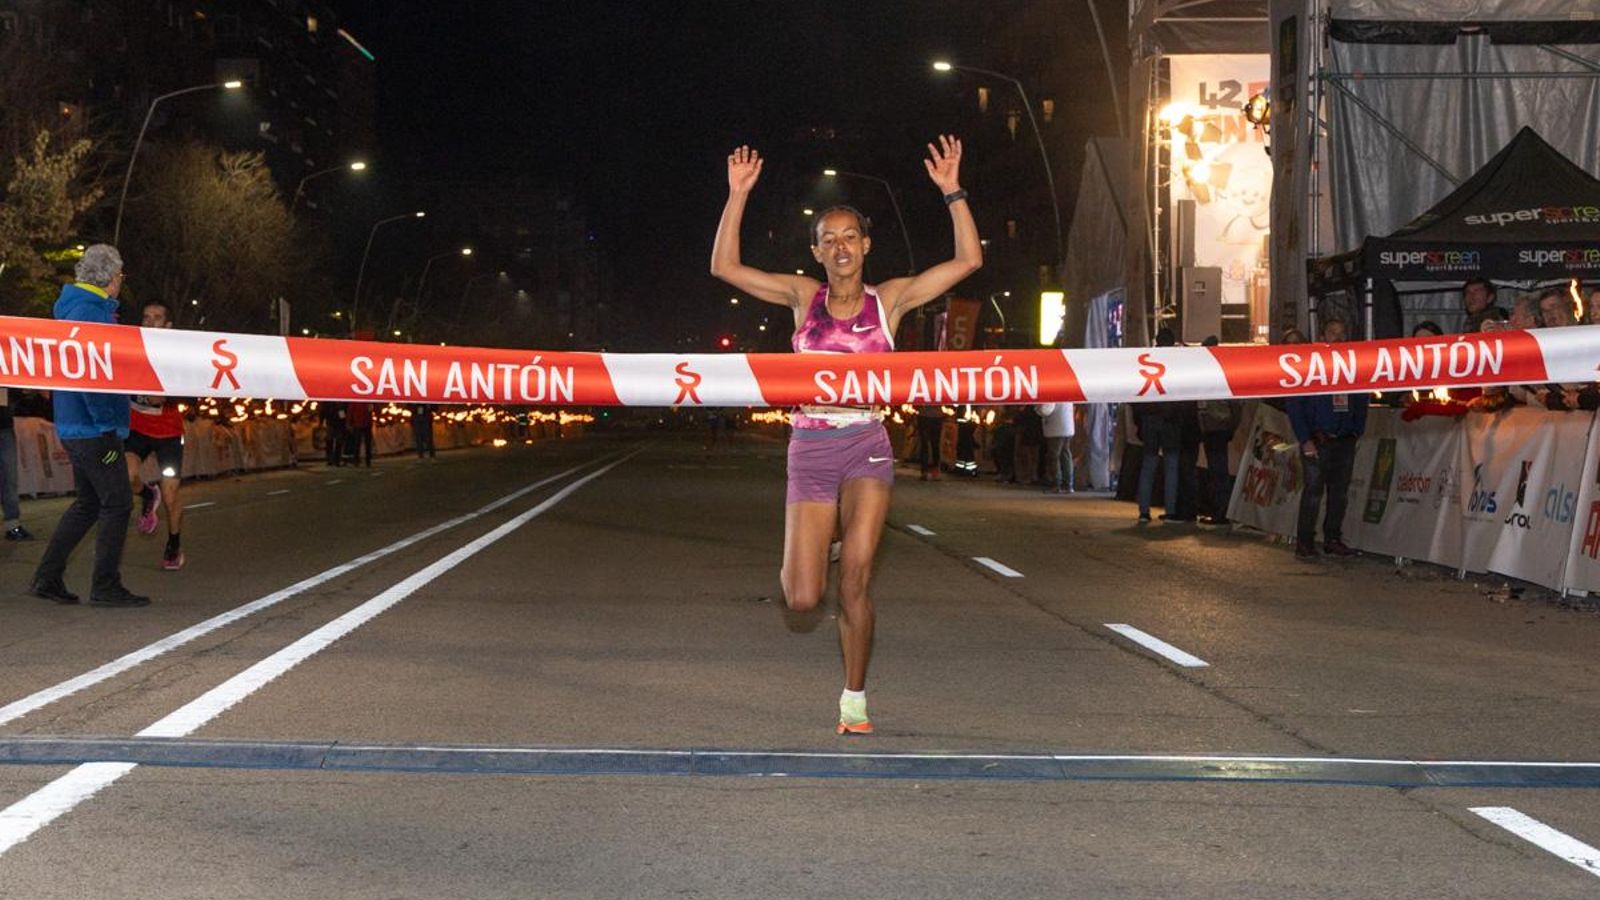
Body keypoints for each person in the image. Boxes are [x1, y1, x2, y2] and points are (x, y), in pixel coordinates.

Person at [711, 136, 981, 735]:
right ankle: (819, 542)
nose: (840, 247)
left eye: (850, 237)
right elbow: (724, 268)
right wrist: (737, 196)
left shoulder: (891, 301)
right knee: (803, 598)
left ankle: (854, 701)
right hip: (810, 447)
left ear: (866, 246)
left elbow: (967, 261)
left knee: (855, 578)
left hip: (865, 444)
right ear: (816, 251)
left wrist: (952, 192)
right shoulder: (801, 297)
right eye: (828, 239)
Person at [30, 244, 150, 607]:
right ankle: (105, 586)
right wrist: (107, 427)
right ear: (111, 278)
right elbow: (92, 377)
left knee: (89, 503)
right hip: (94, 430)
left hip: (75, 425)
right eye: (120, 275)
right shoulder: (91, 314)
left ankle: (47, 577)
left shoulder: (74, 309)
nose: (121, 281)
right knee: (118, 502)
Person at [1285, 318, 1368, 560]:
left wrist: (1356, 430)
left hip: (1344, 439)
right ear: (1322, 337)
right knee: (1313, 492)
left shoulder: (1353, 367)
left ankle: (1332, 538)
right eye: (1333, 333)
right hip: (1318, 439)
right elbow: (1295, 405)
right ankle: (1305, 541)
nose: (1338, 338)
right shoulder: (1311, 366)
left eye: (1342, 333)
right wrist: (1305, 438)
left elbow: (1361, 398)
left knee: (1339, 493)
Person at [125, 302, 187, 570]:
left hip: (168, 434)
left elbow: (191, 393)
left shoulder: (176, 356)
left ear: (168, 325)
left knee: (171, 495)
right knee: (126, 475)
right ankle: (148, 496)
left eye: (157, 318)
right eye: (146, 317)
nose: (150, 322)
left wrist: (167, 395)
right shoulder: (131, 348)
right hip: (137, 429)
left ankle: (173, 545)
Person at [1135, 329, 1182, 523]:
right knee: (1171, 465)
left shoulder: (1147, 360)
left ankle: (1144, 511)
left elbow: (1137, 394)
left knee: (1148, 465)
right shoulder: (1176, 363)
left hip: (1149, 418)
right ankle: (1170, 510)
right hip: (1171, 421)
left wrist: (1138, 422)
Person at [1195, 337, 1239, 524]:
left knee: (1217, 469)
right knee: (1218, 469)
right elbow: (1235, 405)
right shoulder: (1224, 372)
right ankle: (1221, 510)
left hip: (1213, 427)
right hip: (1220, 426)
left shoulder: (1206, 374)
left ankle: (1220, 511)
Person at [1037, 401, 1075, 493]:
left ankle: (1056, 483)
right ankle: (1068, 484)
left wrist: (1037, 407)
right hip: (1067, 426)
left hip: (1056, 427)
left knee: (1054, 456)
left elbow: (1046, 409)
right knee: (1065, 455)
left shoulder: (1052, 392)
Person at [915, 404, 944, 481]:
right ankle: (925, 471)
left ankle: (934, 471)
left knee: (934, 444)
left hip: (934, 416)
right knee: (926, 444)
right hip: (925, 416)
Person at [345, 401, 374, 466]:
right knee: (361, 443)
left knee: (360, 443)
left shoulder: (356, 402)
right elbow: (350, 412)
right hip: (362, 424)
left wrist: (349, 423)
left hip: (360, 423)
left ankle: (361, 460)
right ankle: (364, 460)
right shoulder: (367, 402)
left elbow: (350, 412)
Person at [320, 401, 347, 466]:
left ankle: (330, 459)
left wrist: (321, 421)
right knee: (337, 442)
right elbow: (343, 412)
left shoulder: (327, 402)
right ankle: (336, 460)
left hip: (331, 422)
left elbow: (323, 410)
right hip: (338, 423)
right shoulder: (340, 403)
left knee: (330, 442)